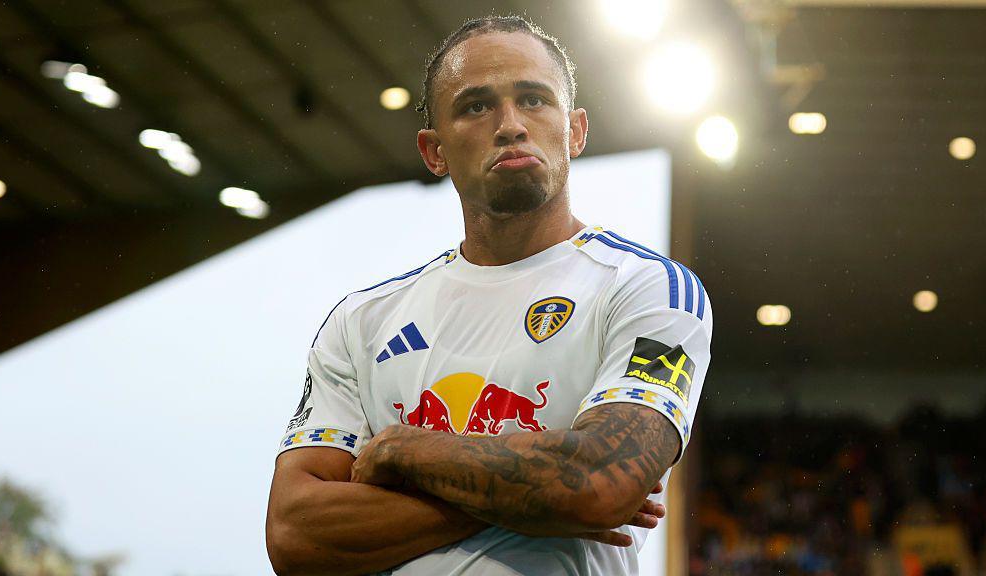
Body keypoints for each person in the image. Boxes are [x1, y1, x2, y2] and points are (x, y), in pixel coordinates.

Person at [265, 15, 712, 576]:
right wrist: (542, 495)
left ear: (575, 130)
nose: (510, 125)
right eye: (476, 106)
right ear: (434, 151)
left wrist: (403, 451)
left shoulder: (646, 287)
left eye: (534, 100)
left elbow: (600, 485)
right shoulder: (362, 322)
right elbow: (295, 534)